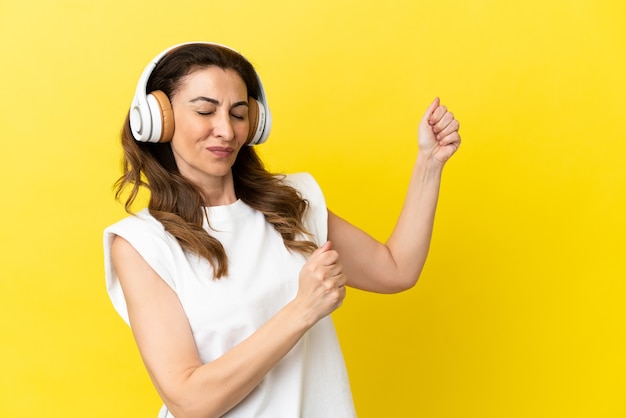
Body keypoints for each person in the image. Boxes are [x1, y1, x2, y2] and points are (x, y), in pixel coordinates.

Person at [103, 42, 460, 418]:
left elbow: (396, 269)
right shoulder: (143, 244)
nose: (225, 130)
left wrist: (429, 163)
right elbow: (190, 402)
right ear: (161, 119)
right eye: (205, 110)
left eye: (239, 114)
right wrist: (302, 309)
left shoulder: (293, 203)